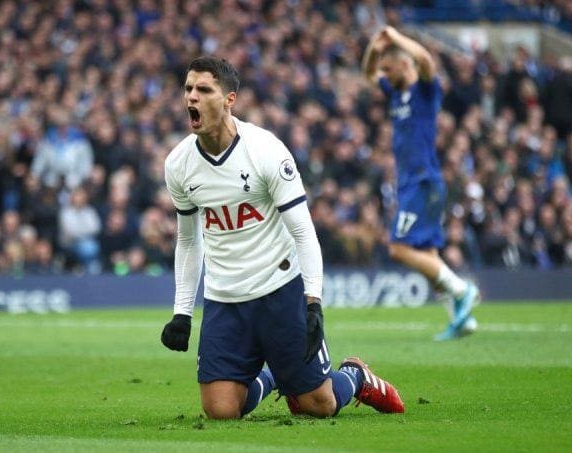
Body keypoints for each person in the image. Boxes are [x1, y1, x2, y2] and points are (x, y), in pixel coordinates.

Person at [160, 56, 404, 419]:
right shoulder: (178, 164)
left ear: (229, 99)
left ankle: (355, 375)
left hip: (279, 290)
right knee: (220, 412)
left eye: (204, 89)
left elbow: (303, 232)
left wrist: (313, 301)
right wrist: (182, 312)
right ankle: (273, 375)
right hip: (225, 298)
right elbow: (189, 240)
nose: (191, 97)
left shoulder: (265, 151)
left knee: (319, 406)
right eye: (188, 89)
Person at [363, 27, 479, 341]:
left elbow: (426, 59)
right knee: (426, 254)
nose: (385, 73)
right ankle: (461, 317)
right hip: (411, 183)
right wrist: (377, 46)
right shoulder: (396, 93)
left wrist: (395, 36)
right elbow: (368, 71)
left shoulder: (425, 90)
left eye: (390, 67)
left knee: (399, 248)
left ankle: (462, 289)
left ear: (405, 64)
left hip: (423, 180)